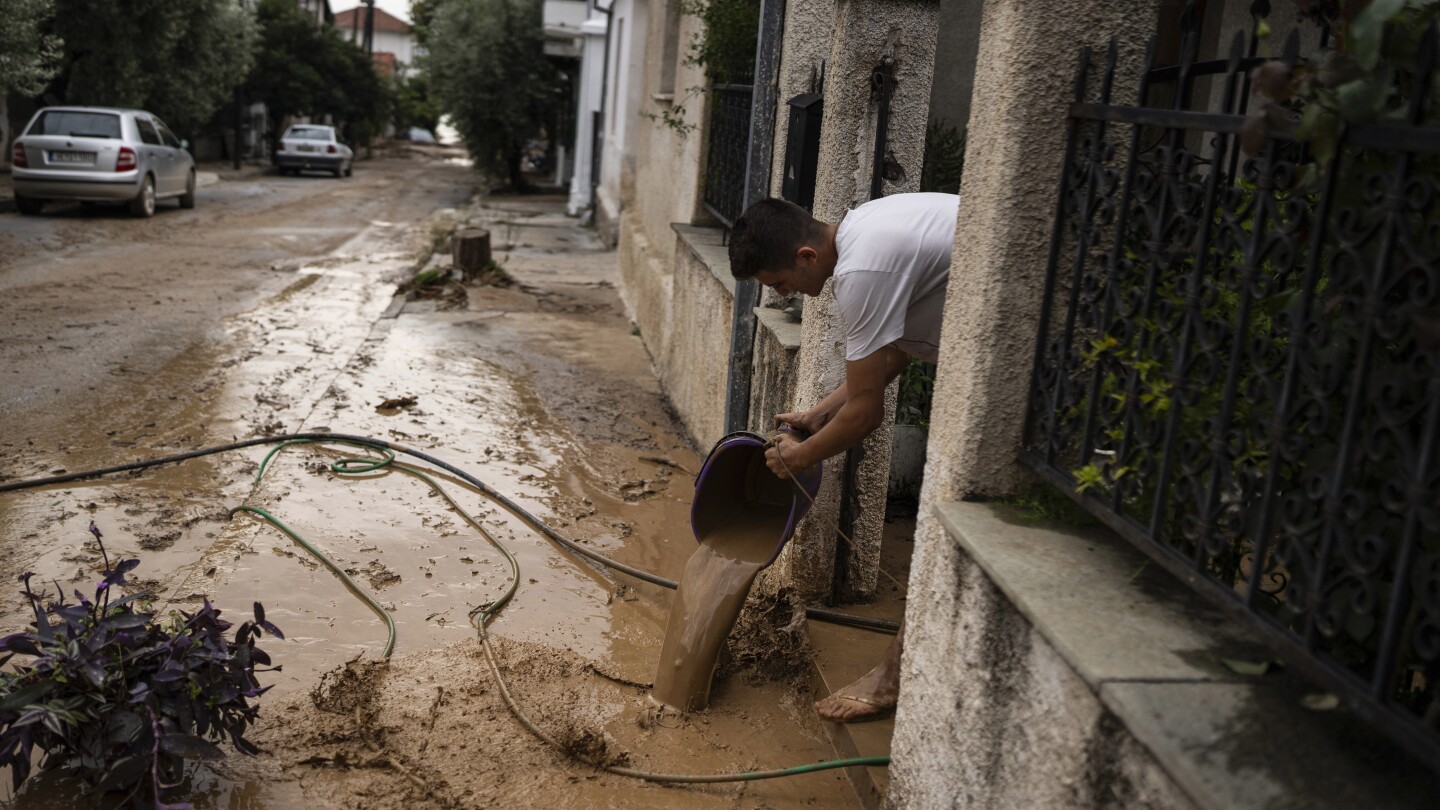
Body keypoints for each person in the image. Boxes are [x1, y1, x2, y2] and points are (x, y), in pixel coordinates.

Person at [727, 192, 959, 723]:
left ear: (806, 256)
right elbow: (896, 348)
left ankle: (891, 679)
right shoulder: (868, 228)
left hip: (1033, 345)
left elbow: (867, 415)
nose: (789, 295)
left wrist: (798, 457)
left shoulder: (862, 270)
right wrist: (817, 414)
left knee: (942, 523)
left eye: (780, 284)